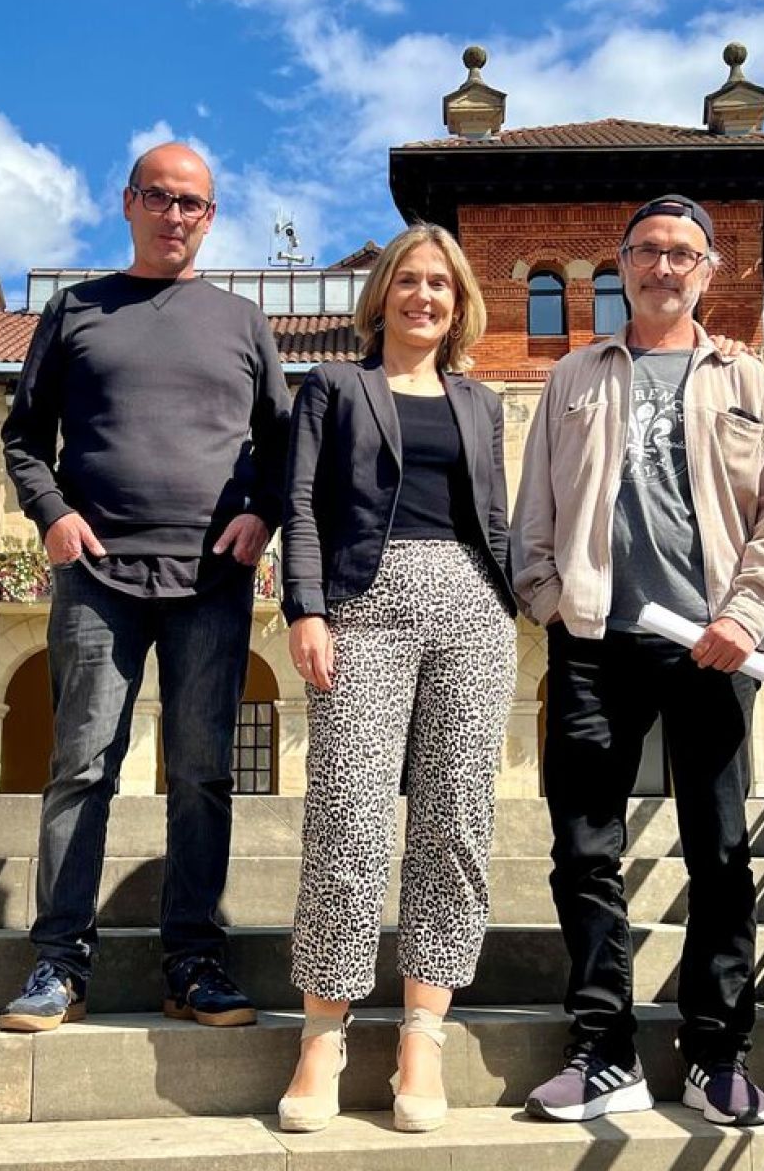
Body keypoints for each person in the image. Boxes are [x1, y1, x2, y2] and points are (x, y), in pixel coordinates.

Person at [513, 195, 764, 1127]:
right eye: (646, 251)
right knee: (584, 848)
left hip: (712, 648)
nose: (663, 267)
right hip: (595, 644)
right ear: (623, 265)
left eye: (683, 253)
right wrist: (553, 603)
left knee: (719, 851)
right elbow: (535, 517)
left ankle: (716, 1054)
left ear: (710, 271)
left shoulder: (747, 382)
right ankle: (604, 1050)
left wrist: (748, 616)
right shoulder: (574, 377)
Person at [0, 142, 290, 1033]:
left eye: (193, 203)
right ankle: (58, 964)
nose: (175, 215)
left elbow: (284, 443)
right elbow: (21, 436)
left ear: (211, 216)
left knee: (202, 773)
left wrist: (263, 515)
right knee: (83, 767)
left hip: (212, 579)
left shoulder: (244, 321)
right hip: (97, 577)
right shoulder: (76, 310)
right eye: (159, 197)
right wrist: (51, 513)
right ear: (127, 202)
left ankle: (195, 960)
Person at [275, 224, 518, 1135]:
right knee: (350, 814)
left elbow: (493, 515)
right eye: (410, 281)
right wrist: (305, 607)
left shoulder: (481, 402)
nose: (425, 297)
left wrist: (518, 599)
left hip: (471, 606)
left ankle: (424, 1032)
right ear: (381, 297)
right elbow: (298, 500)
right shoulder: (337, 387)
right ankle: (324, 1032)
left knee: (457, 819)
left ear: (459, 305)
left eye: (442, 286)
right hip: (362, 605)